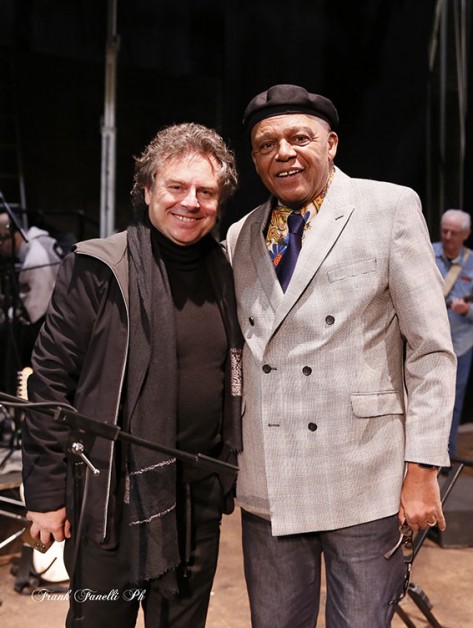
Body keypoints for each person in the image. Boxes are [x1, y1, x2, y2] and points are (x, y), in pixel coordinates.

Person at [224, 84, 456, 627]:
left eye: (299, 138)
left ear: (331, 144)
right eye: (266, 145)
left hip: (364, 477)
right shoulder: (239, 236)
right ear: (255, 160)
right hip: (270, 479)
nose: (283, 153)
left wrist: (423, 468)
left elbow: (430, 350)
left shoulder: (389, 208)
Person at [21, 122, 242, 628]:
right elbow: (49, 384)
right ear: (146, 190)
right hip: (110, 504)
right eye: (176, 186)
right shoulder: (98, 268)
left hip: (197, 500)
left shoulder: (227, 271)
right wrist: (46, 497)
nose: (191, 202)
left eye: (206, 192)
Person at [0, 213, 63, 393]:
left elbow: (34, 309)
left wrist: (8, 314)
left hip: (47, 324)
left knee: (6, 337)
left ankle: (8, 396)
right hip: (49, 315)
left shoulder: (35, 257)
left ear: (11, 236)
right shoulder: (42, 242)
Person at [433, 209, 473, 456]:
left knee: (454, 402)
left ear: (466, 234)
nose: (448, 237)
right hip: (427, 342)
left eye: (454, 233)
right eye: (444, 231)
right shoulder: (427, 252)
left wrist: (467, 310)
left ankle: (447, 455)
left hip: (460, 345)